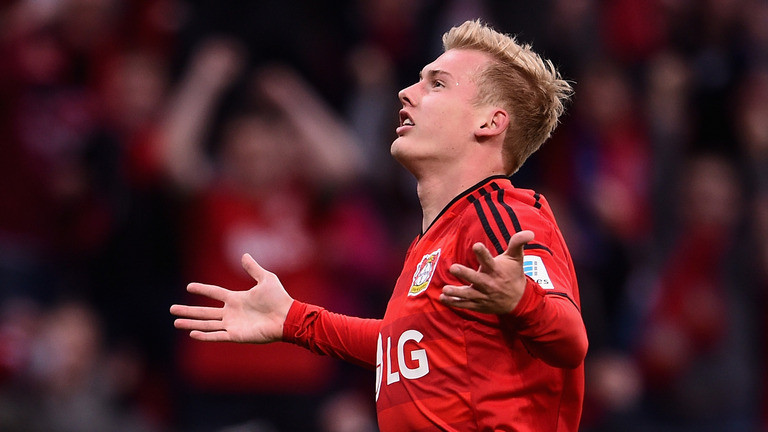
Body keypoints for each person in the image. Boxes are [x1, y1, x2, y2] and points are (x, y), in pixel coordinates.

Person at [171, 19, 588, 431]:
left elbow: (571, 339)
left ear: (489, 123)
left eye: (437, 84)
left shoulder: (505, 213)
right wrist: (292, 320)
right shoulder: (432, 239)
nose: (406, 92)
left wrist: (522, 299)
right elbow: (403, 347)